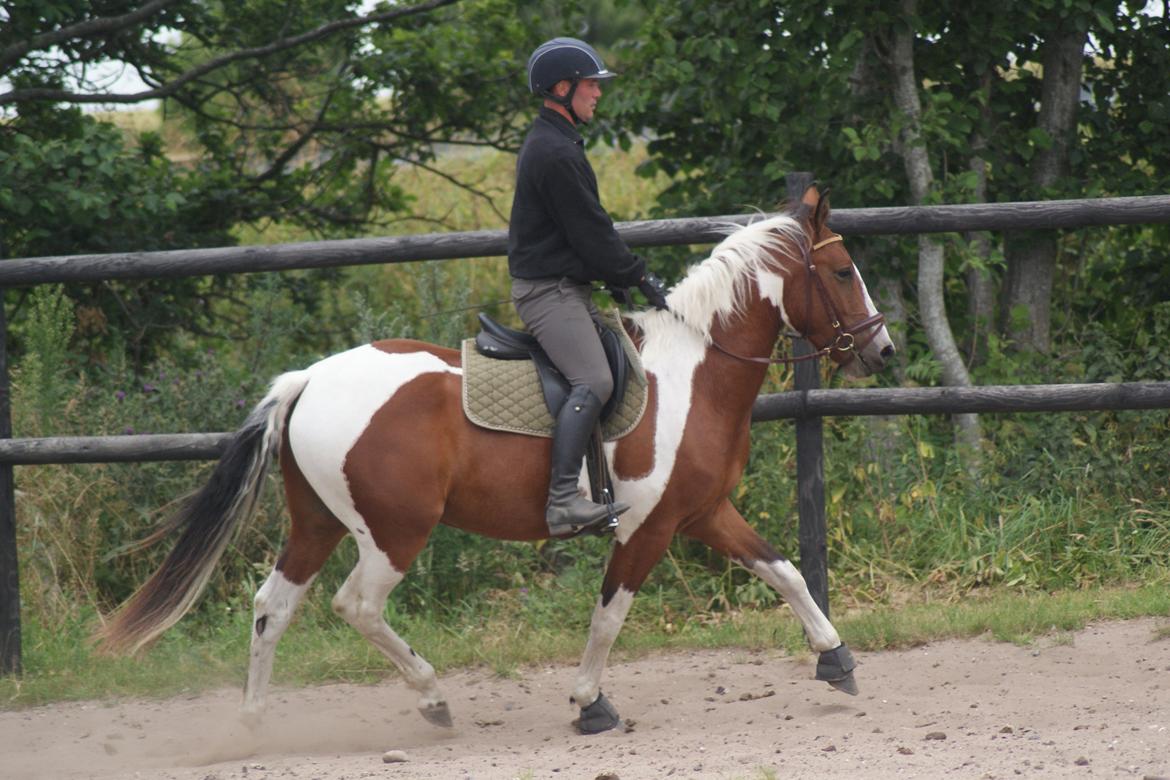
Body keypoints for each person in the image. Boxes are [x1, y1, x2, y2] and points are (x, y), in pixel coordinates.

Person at [508, 37, 669, 539]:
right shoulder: (555, 152)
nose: (598, 94)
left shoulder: (557, 142)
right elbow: (592, 233)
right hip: (549, 293)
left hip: (565, 286)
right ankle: (562, 501)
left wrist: (617, 276)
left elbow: (583, 233)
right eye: (591, 85)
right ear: (563, 88)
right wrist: (636, 275)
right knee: (595, 380)